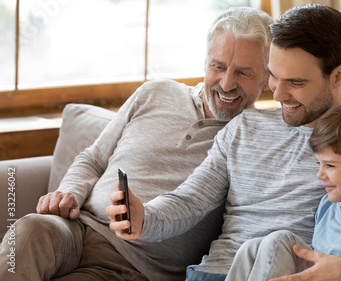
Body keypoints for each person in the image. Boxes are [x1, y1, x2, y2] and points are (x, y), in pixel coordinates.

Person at [107, 4, 341, 281]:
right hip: (213, 273)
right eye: (273, 76)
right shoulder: (243, 127)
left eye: (296, 82)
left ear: (339, 75)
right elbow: (191, 200)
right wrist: (144, 218)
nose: (278, 93)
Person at [0, 7, 274, 281]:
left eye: (243, 73)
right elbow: (94, 159)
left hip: (133, 264)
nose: (227, 83)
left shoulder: (254, 137)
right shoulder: (155, 92)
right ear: (205, 62)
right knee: (29, 231)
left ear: (267, 78)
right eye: (218, 66)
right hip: (77, 228)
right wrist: (69, 192)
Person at [226, 99, 341, 281]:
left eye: (330, 165)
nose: (320, 175)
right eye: (319, 164)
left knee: (278, 241)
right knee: (253, 247)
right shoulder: (328, 206)